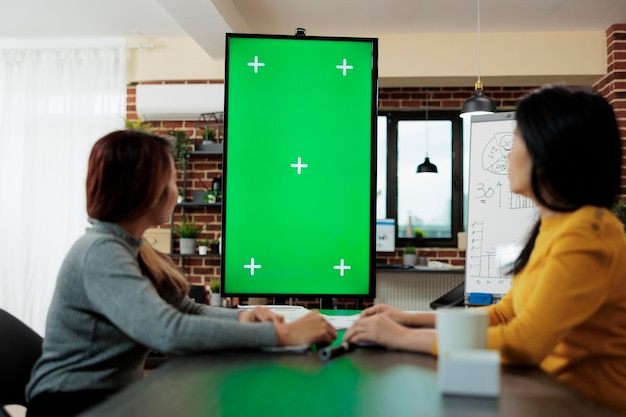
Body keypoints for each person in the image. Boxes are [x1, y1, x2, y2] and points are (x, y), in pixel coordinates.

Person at [345, 85, 626, 415]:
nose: (508, 153)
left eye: (517, 139)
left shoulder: (587, 235)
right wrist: (408, 320)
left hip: (584, 405)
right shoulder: (558, 225)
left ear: (550, 151)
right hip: (545, 393)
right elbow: (505, 314)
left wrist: (399, 337)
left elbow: (523, 343)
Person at [25, 130, 337, 417]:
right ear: (146, 190)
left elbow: (183, 308)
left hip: (114, 397)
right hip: (73, 404)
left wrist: (243, 318)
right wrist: (282, 335)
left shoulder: (130, 247)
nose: (177, 190)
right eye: (172, 180)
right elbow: (167, 331)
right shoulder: (100, 252)